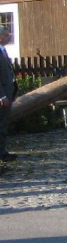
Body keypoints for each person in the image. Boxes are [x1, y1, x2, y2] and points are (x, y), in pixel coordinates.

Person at [0, 25, 17, 164]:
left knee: (4, 123)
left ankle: (3, 151)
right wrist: (1, 95)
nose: (9, 36)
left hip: (8, 92)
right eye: (6, 35)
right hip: (2, 95)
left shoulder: (3, 50)